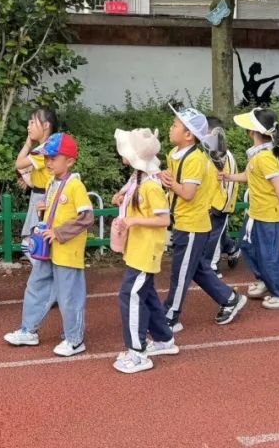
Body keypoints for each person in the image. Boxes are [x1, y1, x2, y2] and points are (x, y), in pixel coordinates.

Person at [4, 133, 93, 356]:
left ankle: (74, 339)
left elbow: (86, 217)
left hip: (66, 251)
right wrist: (44, 211)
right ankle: (29, 329)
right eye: (47, 158)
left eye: (53, 158)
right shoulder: (53, 183)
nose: (48, 163)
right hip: (48, 249)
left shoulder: (75, 186)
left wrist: (59, 232)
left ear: (70, 161)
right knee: (36, 286)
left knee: (68, 296)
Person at [159, 107, 247, 333]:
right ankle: (229, 298)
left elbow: (187, 193)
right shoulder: (174, 154)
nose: (171, 128)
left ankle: (170, 315)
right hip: (183, 222)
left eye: (175, 125)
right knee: (197, 268)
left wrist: (169, 183)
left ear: (189, 135)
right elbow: (174, 184)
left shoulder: (195, 160)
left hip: (193, 225)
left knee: (181, 272)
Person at [111, 128, 176, 374]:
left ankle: (137, 352)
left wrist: (133, 221)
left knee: (130, 296)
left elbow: (164, 220)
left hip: (145, 249)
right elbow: (129, 196)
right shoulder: (137, 177)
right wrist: (121, 199)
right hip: (137, 247)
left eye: (125, 152)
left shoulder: (150, 185)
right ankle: (163, 339)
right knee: (145, 293)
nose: (122, 155)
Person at [226, 107, 279, 309]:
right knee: (247, 246)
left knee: (270, 255)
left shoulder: (265, 157)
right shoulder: (258, 156)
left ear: (252, 132)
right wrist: (229, 177)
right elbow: (249, 176)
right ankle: (266, 280)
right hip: (257, 213)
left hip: (270, 215)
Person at [15, 107, 58, 257]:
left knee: (31, 244)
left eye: (32, 123)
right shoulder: (49, 146)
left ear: (45, 125)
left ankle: (43, 277)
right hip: (40, 195)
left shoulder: (44, 149)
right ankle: (44, 276)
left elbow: (19, 164)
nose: (28, 127)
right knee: (36, 242)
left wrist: (28, 143)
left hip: (42, 199)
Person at [201, 116, 241, 276]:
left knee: (214, 235)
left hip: (219, 205)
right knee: (217, 233)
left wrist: (221, 206)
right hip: (207, 204)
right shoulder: (206, 154)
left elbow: (230, 183)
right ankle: (232, 248)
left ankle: (212, 266)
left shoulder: (226, 156)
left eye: (206, 133)